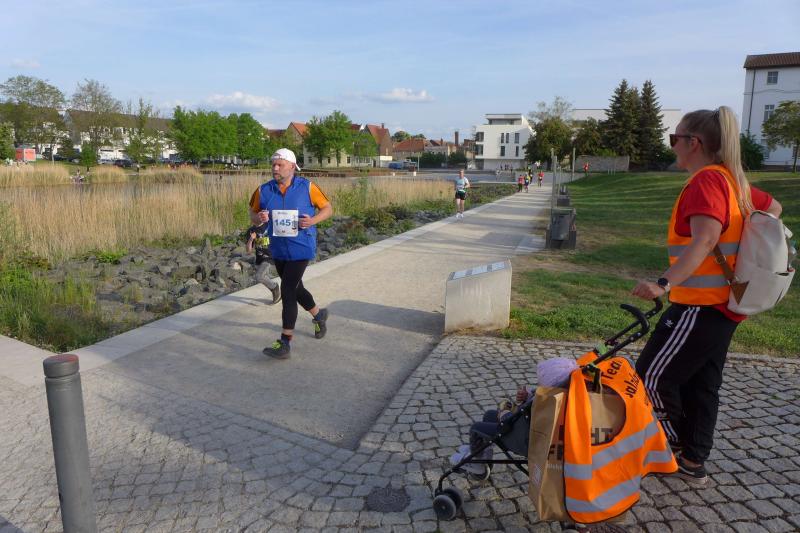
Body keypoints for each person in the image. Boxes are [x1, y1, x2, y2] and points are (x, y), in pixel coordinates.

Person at [631, 106, 783, 486]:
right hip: (724, 305)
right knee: (702, 384)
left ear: (693, 143)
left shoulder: (706, 182)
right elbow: (774, 209)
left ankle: (668, 446)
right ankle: (692, 459)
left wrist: (663, 283)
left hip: (699, 305)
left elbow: (705, 240)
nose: (672, 145)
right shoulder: (732, 181)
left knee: (651, 377)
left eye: (675, 138)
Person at [249, 148, 333, 359]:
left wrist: (312, 221)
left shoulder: (308, 187)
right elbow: (252, 213)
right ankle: (319, 315)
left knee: (287, 289)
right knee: (297, 289)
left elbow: (328, 209)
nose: (275, 168)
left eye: (280, 165)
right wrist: (259, 218)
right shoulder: (263, 190)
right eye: (273, 164)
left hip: (301, 247)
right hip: (278, 249)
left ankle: (285, 342)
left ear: (293, 167)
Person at [245, 223, 281, 305]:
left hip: (270, 257)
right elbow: (248, 250)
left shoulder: (270, 225)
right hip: (259, 259)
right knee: (263, 276)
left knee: (259, 276)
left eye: (253, 215)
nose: (251, 217)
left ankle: (275, 288)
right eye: (251, 216)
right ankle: (274, 287)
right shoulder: (251, 230)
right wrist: (251, 239)